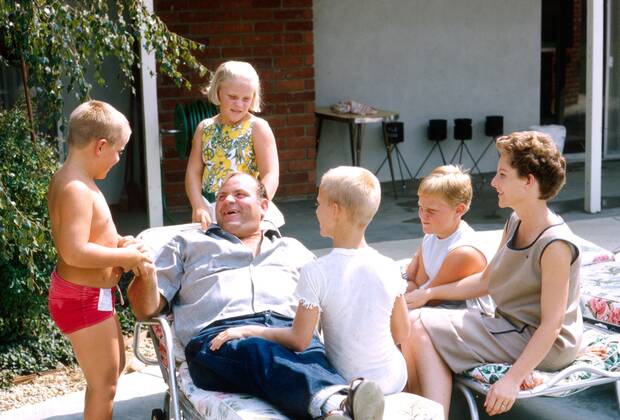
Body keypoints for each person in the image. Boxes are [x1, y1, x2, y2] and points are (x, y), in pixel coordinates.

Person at [128, 172, 385, 420]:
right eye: (221, 196)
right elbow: (145, 310)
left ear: (263, 205)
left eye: (239, 194)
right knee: (256, 350)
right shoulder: (187, 243)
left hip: (291, 334)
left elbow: (338, 290)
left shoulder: (292, 249)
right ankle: (336, 402)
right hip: (220, 339)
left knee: (311, 359)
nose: (227, 200)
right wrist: (147, 275)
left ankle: (336, 414)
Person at [401, 131, 582, 418]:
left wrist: (511, 380)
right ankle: (426, 412)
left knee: (418, 324)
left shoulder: (555, 244)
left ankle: (430, 413)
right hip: (511, 328)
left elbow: (551, 326)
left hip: (543, 343)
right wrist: (430, 293)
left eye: (502, 174)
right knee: (412, 321)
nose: (494, 182)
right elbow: (487, 281)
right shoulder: (515, 221)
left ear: (528, 181)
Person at [210, 167, 410, 409]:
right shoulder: (389, 266)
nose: (315, 211)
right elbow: (400, 333)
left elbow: (299, 341)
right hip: (394, 377)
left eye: (318, 204)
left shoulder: (317, 271)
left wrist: (250, 330)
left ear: (334, 210)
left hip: (346, 378)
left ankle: (346, 404)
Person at [47, 100, 152, 419]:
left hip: (93, 295)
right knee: (104, 384)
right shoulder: (76, 188)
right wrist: (126, 255)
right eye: (118, 150)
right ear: (100, 146)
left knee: (115, 366)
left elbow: (92, 235)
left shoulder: (79, 181)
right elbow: (73, 250)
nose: (119, 158)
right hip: (81, 298)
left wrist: (120, 243)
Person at [185, 60, 283, 229]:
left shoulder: (257, 127)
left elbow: (271, 174)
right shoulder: (204, 128)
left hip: (246, 211)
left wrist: (257, 206)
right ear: (218, 91)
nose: (239, 104)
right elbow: (193, 173)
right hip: (213, 209)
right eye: (232, 97)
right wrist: (198, 204)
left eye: (246, 99)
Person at [403, 165, 493, 311]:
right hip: (434, 305)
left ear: (459, 210)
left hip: (468, 316)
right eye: (421, 208)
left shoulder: (464, 251)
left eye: (431, 211)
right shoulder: (431, 235)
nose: (422, 216)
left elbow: (430, 299)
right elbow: (418, 285)